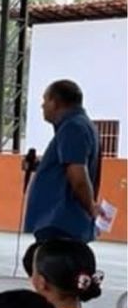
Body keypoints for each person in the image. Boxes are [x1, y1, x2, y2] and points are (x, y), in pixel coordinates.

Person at [24, 79, 102, 244]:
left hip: (60, 222)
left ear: (55, 103)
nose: (42, 106)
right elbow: (66, 166)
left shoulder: (73, 128)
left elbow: (78, 177)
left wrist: (91, 208)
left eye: (45, 100)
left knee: (51, 260)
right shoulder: (79, 126)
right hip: (60, 223)